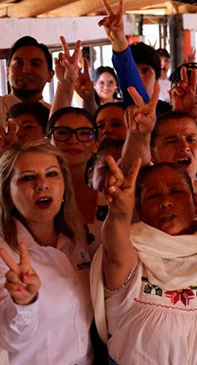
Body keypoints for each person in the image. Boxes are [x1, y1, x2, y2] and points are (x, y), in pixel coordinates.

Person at [90, 159, 197, 364]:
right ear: (139, 209)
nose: (165, 202)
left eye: (177, 192)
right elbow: (115, 244)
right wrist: (118, 213)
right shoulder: (130, 253)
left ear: (195, 202)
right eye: (152, 195)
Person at [0, 141, 92, 364]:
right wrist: (23, 303)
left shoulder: (75, 240)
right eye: (28, 177)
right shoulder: (5, 252)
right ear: (7, 194)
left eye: (52, 174)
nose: (42, 184)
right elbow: (8, 339)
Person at [98, 0, 171, 114]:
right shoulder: (118, 114)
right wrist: (118, 40)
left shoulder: (168, 115)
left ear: (157, 78)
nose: (138, 76)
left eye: (146, 71)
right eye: (134, 71)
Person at [46, 108, 99, 229]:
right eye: (62, 132)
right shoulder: (32, 199)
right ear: (48, 143)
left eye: (84, 133)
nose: (73, 140)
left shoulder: (111, 203)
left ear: (96, 145)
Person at [1, 36, 53, 123]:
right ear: (7, 72)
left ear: (50, 75)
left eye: (35, 64)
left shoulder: (55, 114)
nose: (25, 70)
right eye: (19, 63)